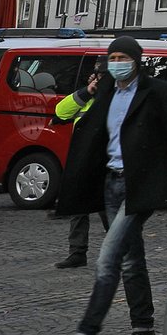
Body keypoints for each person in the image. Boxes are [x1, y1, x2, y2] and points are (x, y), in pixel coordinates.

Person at [48, 37, 167, 335]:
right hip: (110, 184)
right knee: (129, 259)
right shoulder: (107, 93)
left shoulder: (158, 93)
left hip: (138, 188)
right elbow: (86, 130)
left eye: (122, 57)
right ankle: (143, 331)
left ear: (136, 60)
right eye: (112, 57)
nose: (117, 62)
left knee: (108, 258)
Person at [51, 68, 102, 269]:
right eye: (98, 77)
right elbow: (61, 111)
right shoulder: (87, 97)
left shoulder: (116, 98)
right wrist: (86, 91)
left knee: (108, 211)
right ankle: (77, 253)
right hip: (83, 160)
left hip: (105, 162)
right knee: (78, 209)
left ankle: (121, 253)